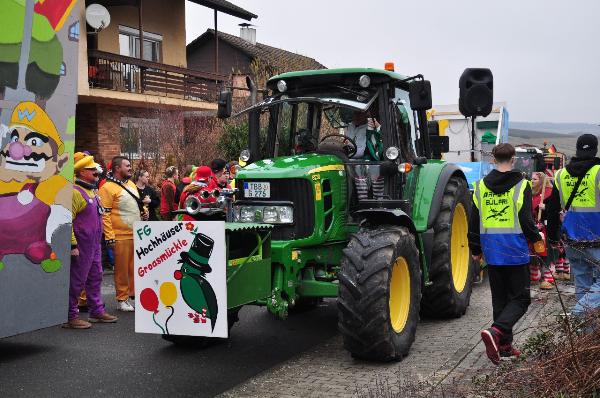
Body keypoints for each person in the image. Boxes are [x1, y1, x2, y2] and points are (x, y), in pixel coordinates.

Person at [469, 143, 544, 364]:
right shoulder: (522, 185)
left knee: (500, 300)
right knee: (521, 299)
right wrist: (537, 240)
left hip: (492, 251)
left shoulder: (480, 186)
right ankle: (496, 332)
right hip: (515, 249)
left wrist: (475, 249)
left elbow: (474, 222)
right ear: (513, 160)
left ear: (493, 159)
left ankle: (504, 347)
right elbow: (526, 220)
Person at [547, 134, 600, 317]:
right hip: (596, 238)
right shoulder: (599, 172)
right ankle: (577, 314)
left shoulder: (561, 174)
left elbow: (552, 207)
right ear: (595, 149)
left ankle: (583, 335)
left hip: (572, 239)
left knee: (583, 285)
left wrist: (553, 237)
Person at [64, 153, 118, 329]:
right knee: (77, 280)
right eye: (92, 169)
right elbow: (67, 221)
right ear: (81, 172)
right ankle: (70, 315)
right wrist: (72, 245)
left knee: (96, 277)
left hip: (94, 243)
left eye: (96, 169)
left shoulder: (92, 191)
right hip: (81, 244)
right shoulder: (74, 192)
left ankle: (96, 311)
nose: (96, 172)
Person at [99, 156, 142, 312]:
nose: (131, 168)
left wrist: (143, 212)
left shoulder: (130, 184)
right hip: (120, 235)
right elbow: (105, 214)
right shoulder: (107, 188)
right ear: (118, 168)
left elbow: (136, 204)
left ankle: (133, 297)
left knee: (135, 269)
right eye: (127, 165)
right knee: (122, 270)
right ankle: (122, 299)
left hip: (137, 234)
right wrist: (109, 236)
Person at [530, 171, 555, 289]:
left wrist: (546, 207)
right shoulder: (530, 193)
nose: (532, 181)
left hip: (546, 227)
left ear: (540, 181)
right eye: (532, 179)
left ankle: (547, 278)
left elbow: (557, 208)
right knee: (534, 251)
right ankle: (535, 275)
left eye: (534, 179)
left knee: (545, 252)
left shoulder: (550, 193)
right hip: (533, 226)